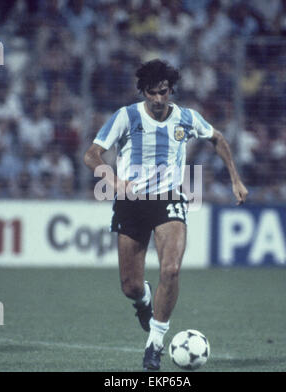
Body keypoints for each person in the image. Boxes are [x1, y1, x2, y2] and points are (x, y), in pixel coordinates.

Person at [84, 59, 248, 371]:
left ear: (171, 90)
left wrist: (235, 179)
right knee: (130, 286)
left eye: (163, 92)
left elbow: (218, 139)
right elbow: (91, 154)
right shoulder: (126, 116)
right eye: (152, 93)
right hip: (131, 201)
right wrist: (112, 179)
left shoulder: (187, 117)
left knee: (170, 269)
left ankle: (155, 345)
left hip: (170, 200)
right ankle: (144, 302)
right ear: (142, 92)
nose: (158, 100)